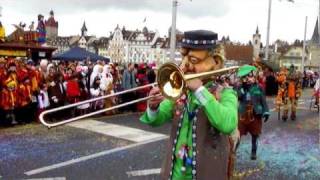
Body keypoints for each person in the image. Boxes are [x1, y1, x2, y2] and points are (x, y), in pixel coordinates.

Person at [140, 30, 238, 180]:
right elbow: (156, 120)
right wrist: (153, 108)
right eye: (183, 58)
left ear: (216, 62)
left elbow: (228, 124)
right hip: (174, 174)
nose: (184, 66)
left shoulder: (225, 93)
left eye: (193, 61)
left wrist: (200, 90)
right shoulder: (180, 93)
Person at [236, 65, 270, 160]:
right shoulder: (240, 87)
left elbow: (263, 101)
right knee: (237, 134)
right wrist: (243, 88)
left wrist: (266, 112)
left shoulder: (259, 87)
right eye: (246, 77)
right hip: (243, 114)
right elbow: (238, 96)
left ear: (255, 77)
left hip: (255, 114)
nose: (248, 79)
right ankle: (233, 150)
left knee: (255, 135)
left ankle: (253, 152)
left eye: (250, 77)